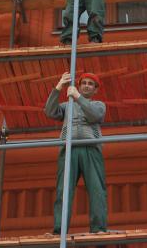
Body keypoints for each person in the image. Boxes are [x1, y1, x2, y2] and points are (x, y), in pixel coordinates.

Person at [44, 71, 107, 235]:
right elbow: (50, 111)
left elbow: (95, 116)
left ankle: (98, 228)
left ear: (95, 90)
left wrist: (77, 96)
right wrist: (59, 87)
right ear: (79, 85)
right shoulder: (66, 106)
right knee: (63, 190)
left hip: (90, 148)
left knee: (96, 189)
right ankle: (59, 230)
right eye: (84, 82)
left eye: (90, 84)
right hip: (69, 149)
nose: (87, 85)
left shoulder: (98, 105)